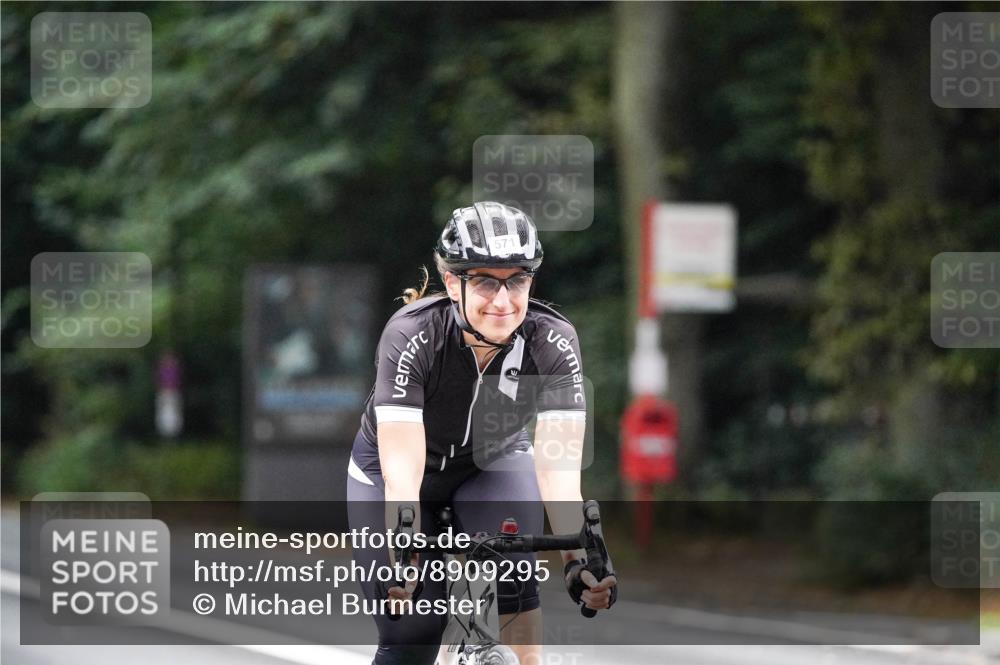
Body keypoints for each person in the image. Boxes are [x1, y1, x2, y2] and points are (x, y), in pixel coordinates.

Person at [346, 202, 616, 665]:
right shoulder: (412, 334)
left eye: (518, 280)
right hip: (394, 474)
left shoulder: (553, 341)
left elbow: (557, 467)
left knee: (516, 590)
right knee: (414, 627)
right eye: (486, 280)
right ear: (453, 282)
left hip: (491, 461)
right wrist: (405, 550)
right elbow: (403, 469)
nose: (504, 299)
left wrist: (577, 560)